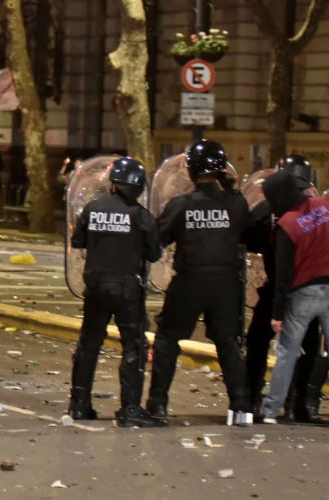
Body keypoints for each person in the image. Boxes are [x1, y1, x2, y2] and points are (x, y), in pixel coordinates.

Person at [147, 139, 253, 426]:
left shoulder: (182, 205)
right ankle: (242, 408)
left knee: (168, 340)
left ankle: (157, 405)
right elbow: (248, 232)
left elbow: (158, 238)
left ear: (193, 170)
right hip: (226, 284)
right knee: (228, 343)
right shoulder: (236, 203)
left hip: (190, 282)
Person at [68, 157, 163, 427]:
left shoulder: (93, 208)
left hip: (96, 285)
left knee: (88, 345)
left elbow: (78, 241)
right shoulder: (142, 216)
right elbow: (155, 254)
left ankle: (79, 404)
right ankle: (130, 408)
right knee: (133, 347)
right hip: (127, 289)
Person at [244, 155, 326, 421]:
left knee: (272, 344)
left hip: (289, 288)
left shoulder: (276, 215)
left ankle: (261, 401)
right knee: (302, 346)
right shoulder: (318, 207)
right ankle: (296, 403)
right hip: (304, 287)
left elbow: (250, 241)